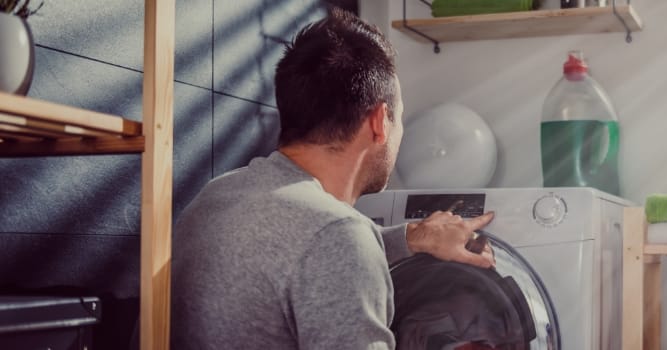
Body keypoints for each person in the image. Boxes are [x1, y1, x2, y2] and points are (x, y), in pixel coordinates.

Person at [170, 8, 495, 349]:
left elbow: (297, 255)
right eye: (400, 117)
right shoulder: (338, 237)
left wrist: (412, 237)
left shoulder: (218, 194)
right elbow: (328, 247)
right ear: (380, 121)